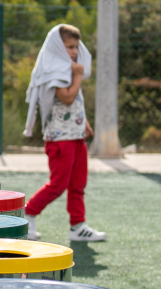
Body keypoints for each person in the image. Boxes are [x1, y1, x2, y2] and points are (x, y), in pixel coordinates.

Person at [22, 24, 106, 242]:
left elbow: (74, 104)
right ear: (58, 47)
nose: (74, 52)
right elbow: (67, 97)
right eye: (69, 47)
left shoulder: (69, 67)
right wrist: (77, 76)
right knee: (58, 185)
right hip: (60, 140)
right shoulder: (55, 71)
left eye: (76, 47)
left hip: (75, 137)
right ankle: (28, 214)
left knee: (78, 185)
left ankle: (78, 226)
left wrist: (83, 123)